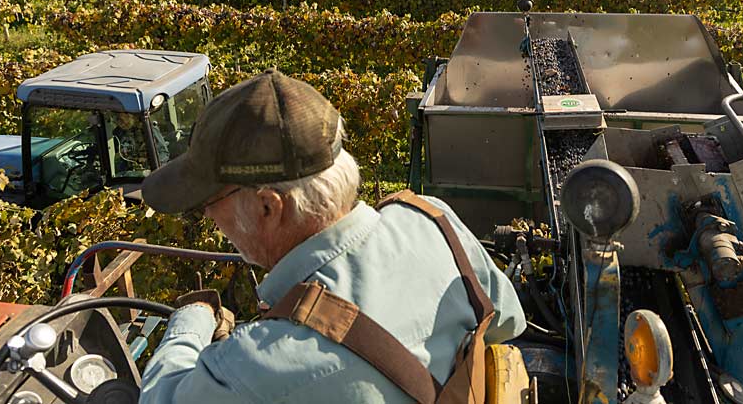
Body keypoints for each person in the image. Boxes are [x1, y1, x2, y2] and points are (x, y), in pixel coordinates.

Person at [138, 70, 526, 404]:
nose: (207, 214)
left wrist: (189, 322)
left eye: (211, 200)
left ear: (268, 207)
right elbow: (508, 321)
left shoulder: (259, 363)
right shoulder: (429, 217)